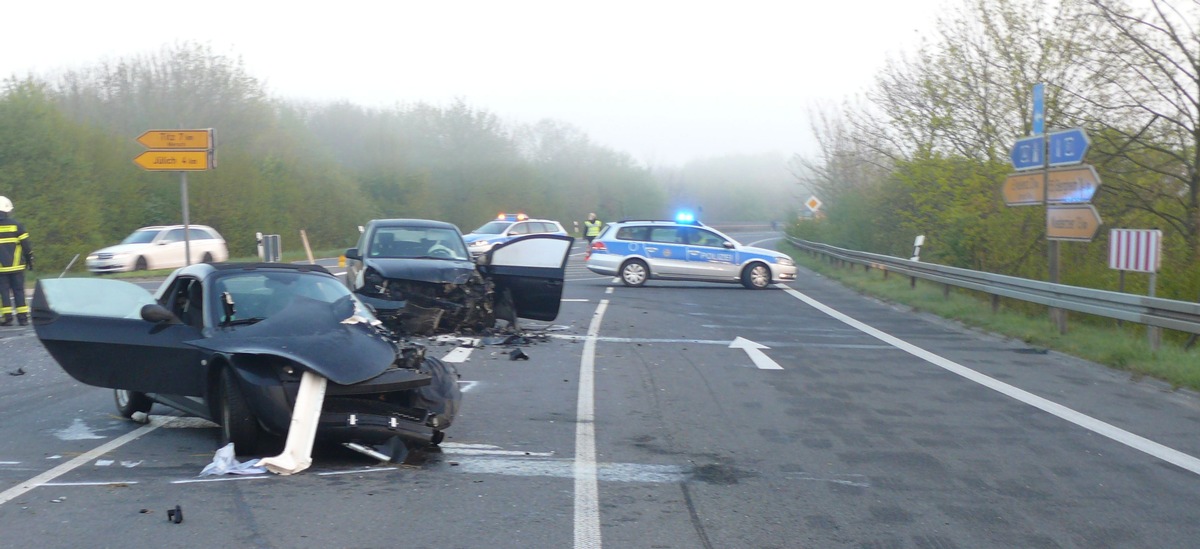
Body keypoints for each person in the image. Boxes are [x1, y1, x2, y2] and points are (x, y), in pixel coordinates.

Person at [0, 196, 33, 326]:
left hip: (1, 269)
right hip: (17, 267)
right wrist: (30, 260)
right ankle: (23, 318)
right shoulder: (16, 225)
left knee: (4, 292)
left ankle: (8, 318)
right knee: (19, 291)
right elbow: (26, 246)